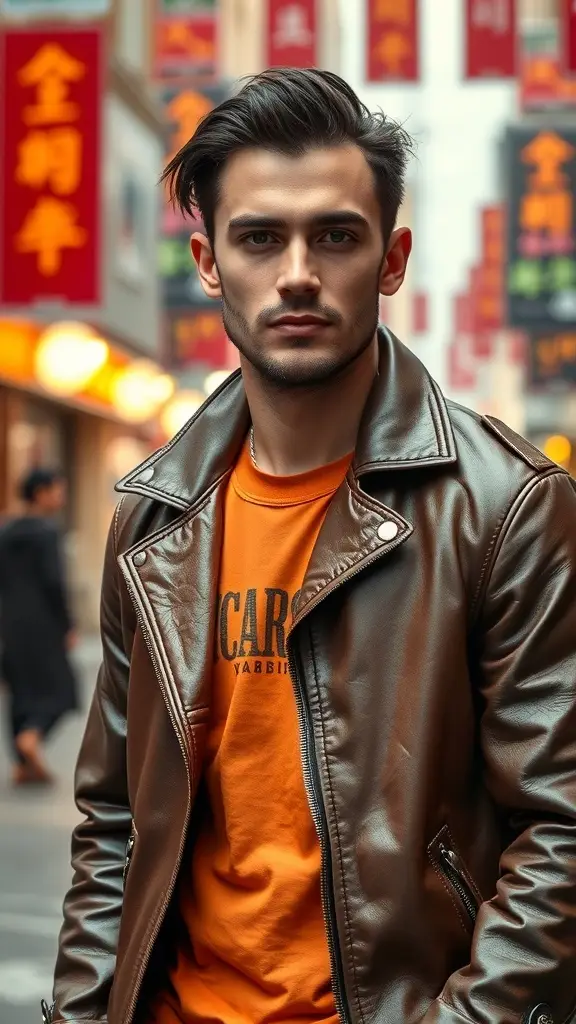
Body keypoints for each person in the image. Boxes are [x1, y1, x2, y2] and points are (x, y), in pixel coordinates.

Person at [47, 68, 576, 1024]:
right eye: (260, 237)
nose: (298, 271)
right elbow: (116, 824)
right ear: (208, 261)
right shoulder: (155, 515)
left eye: (335, 235)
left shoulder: (508, 507)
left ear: (392, 257)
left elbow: (563, 825)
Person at [0, 467, 77, 785]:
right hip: (44, 623)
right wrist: (67, 624)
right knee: (63, 690)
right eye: (57, 490)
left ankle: (23, 766)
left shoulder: (5, 531)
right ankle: (32, 737)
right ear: (41, 493)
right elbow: (53, 582)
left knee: (20, 690)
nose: (61, 496)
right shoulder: (47, 532)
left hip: (11, 624)